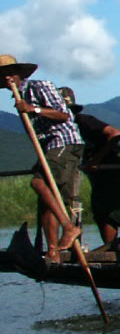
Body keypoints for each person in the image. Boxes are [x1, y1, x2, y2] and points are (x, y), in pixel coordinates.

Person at [2, 54, 84, 263]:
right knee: (47, 200)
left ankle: (68, 227)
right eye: (3, 75)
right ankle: (53, 250)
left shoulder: (40, 86)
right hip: (49, 147)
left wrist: (33, 109)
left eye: (10, 73)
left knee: (38, 182)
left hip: (63, 142)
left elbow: (64, 115)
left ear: (19, 74)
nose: (7, 78)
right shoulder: (18, 100)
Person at [60, 87, 120, 248]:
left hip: (110, 168)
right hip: (98, 172)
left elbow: (115, 134)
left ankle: (111, 250)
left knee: (110, 212)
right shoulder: (64, 130)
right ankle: (110, 248)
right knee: (100, 212)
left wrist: (97, 159)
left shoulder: (82, 121)